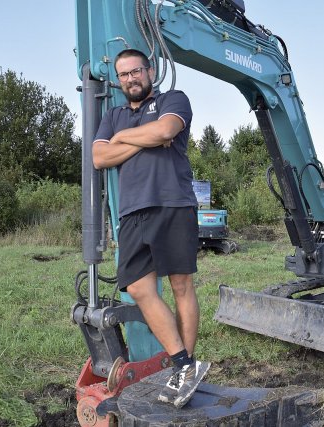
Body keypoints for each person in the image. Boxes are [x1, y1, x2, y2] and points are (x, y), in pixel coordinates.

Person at [92, 48, 210, 409]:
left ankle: (182, 369)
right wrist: (144, 137)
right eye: (124, 74)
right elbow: (99, 157)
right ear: (118, 80)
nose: (131, 78)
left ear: (151, 70)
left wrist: (123, 139)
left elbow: (166, 130)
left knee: (180, 284)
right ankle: (185, 364)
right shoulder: (112, 114)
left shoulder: (174, 98)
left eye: (136, 71)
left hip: (172, 202)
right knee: (140, 289)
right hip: (131, 213)